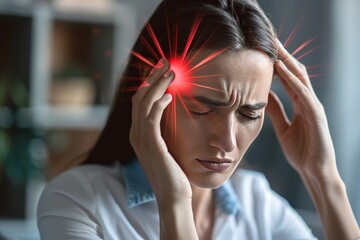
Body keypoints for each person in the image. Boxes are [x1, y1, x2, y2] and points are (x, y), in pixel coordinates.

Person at [37, 0, 360, 239]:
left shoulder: (257, 202)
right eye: (203, 109)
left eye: (250, 113)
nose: (228, 142)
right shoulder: (78, 202)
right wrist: (175, 202)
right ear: (151, 90)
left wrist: (323, 177)